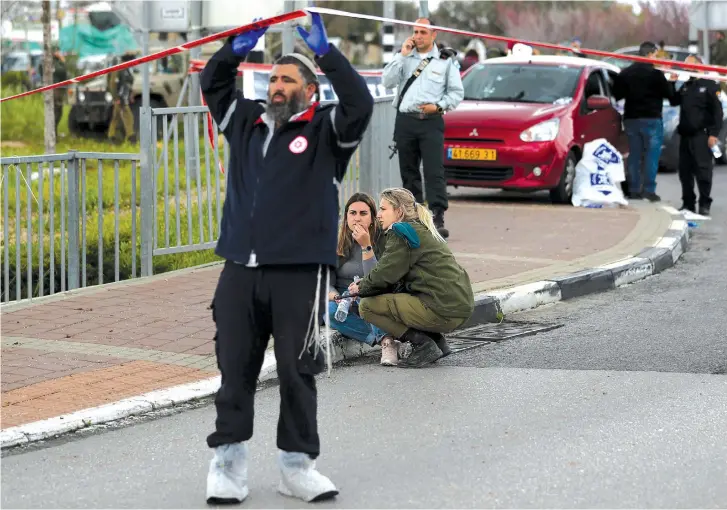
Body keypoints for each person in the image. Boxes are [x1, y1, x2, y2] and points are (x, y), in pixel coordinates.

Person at [200, 14, 373, 504]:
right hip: (240, 270)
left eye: (287, 79)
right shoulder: (247, 123)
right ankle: (227, 466)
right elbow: (212, 83)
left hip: (300, 272)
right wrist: (235, 50)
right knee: (235, 369)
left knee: (298, 371)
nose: (276, 86)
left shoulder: (327, 132)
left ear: (308, 91)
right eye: (273, 78)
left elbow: (359, 103)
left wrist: (326, 53)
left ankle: (297, 467)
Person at [348, 187, 474, 368]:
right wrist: (367, 283)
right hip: (459, 305)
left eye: (383, 209)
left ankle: (422, 344)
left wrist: (360, 288)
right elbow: (393, 274)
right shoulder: (420, 227)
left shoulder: (401, 232)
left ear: (398, 211)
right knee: (401, 296)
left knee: (367, 306)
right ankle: (437, 341)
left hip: (442, 308)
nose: (379, 215)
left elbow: (384, 274)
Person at [382, 17, 464, 240]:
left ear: (434, 34)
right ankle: (414, 216)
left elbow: (456, 93)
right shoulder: (404, 57)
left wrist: (439, 106)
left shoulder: (445, 60)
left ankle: (437, 216)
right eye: (415, 32)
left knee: (433, 171)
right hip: (406, 120)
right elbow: (387, 81)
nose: (418, 37)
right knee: (408, 171)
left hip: (431, 120)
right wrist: (401, 55)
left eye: (423, 33)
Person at [327, 193, 394, 364]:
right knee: (328, 311)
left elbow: (377, 279)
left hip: (371, 291)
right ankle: (379, 339)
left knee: (370, 300)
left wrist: (366, 246)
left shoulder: (383, 239)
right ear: (346, 216)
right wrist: (335, 296)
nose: (357, 218)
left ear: (372, 217)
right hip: (344, 295)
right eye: (352, 213)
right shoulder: (336, 239)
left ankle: (387, 343)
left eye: (363, 213)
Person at [612, 41, 676, 202]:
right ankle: (648, 190)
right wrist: (671, 82)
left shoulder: (626, 73)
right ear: (649, 55)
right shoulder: (656, 75)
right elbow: (671, 96)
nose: (656, 58)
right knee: (651, 156)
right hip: (652, 119)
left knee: (634, 155)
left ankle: (634, 190)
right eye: (654, 55)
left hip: (632, 118)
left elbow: (616, 94)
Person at [668, 55, 723, 217]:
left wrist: (714, 134)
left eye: (688, 63)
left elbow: (717, 113)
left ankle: (705, 203)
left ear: (699, 65)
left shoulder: (710, 85)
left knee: (703, 171)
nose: (685, 66)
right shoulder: (687, 85)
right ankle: (688, 203)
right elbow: (673, 101)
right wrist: (672, 82)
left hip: (702, 136)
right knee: (685, 172)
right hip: (685, 136)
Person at [40, 45, 68, 138]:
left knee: (56, 112)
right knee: (57, 112)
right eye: (58, 51)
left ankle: (53, 133)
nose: (59, 53)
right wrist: (63, 61)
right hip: (55, 90)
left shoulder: (48, 61)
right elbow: (63, 72)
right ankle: (52, 134)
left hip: (55, 89)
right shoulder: (54, 62)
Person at [107, 51, 136, 143]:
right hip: (120, 98)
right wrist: (116, 98)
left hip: (125, 97)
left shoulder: (127, 69)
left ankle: (111, 136)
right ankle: (131, 136)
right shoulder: (118, 69)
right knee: (128, 116)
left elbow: (128, 83)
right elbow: (112, 84)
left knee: (116, 117)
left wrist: (130, 95)